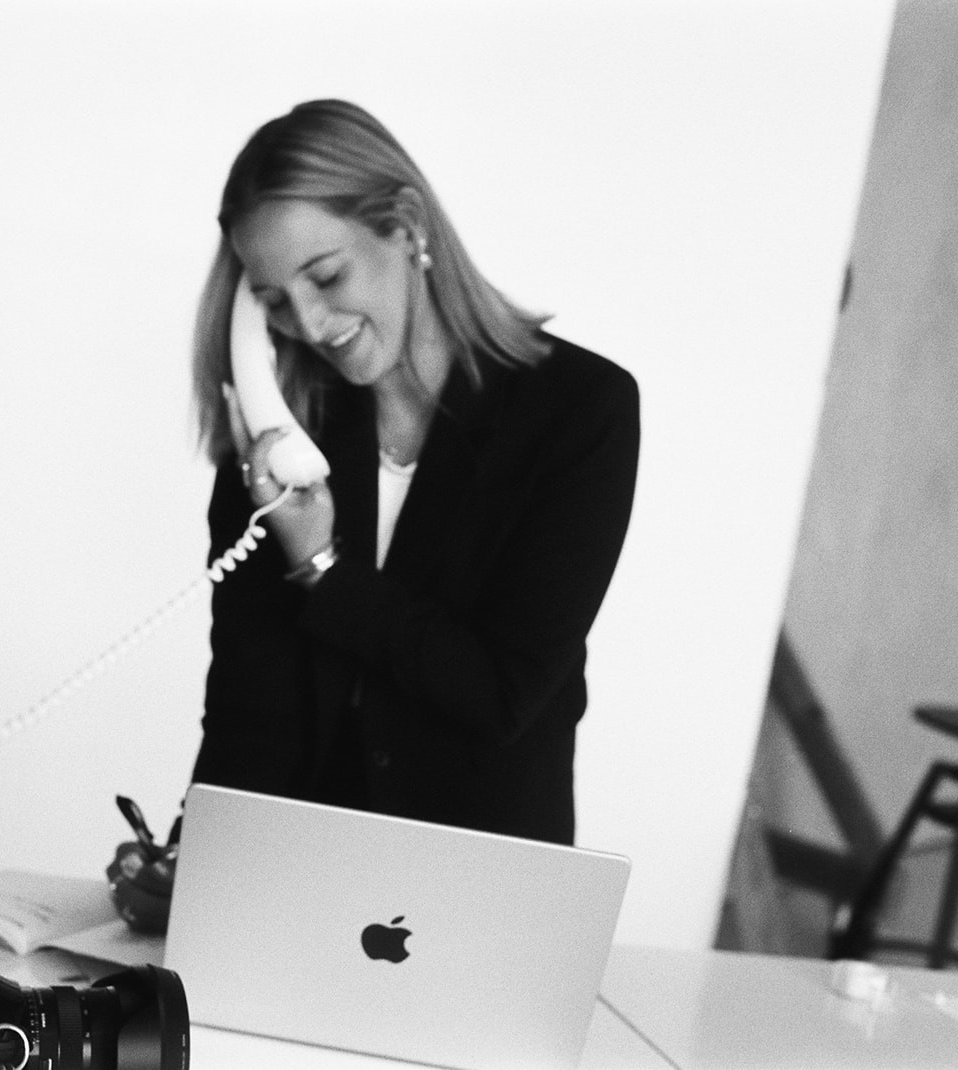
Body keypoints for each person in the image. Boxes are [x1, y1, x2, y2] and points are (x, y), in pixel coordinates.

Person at [109, 98, 638, 928]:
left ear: (406, 225)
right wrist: (193, 866)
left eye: (325, 277)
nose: (310, 324)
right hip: (291, 894)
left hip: (479, 897)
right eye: (273, 301)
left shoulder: (581, 412)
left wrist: (322, 568)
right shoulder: (281, 437)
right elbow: (251, 706)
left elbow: (502, 692)